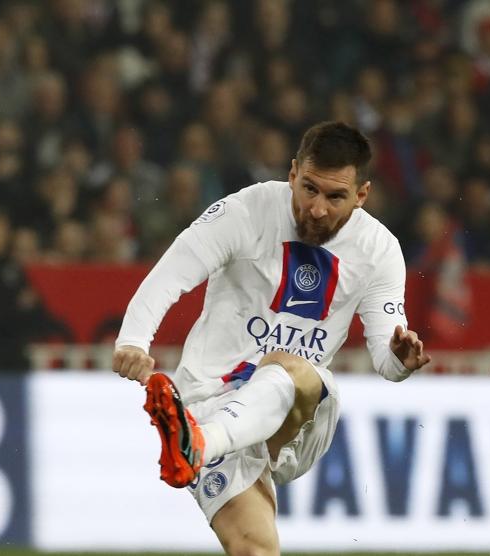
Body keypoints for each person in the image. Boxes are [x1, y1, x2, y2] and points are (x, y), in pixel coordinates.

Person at [112, 121, 432, 555]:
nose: (317, 208)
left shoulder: (379, 250)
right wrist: (132, 340)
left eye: (335, 197)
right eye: (309, 189)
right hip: (210, 402)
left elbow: (386, 361)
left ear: (362, 195)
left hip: (296, 420)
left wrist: (399, 358)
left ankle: (196, 444)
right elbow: (172, 273)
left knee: (288, 369)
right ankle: (198, 444)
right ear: (293, 172)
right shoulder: (246, 211)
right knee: (255, 548)